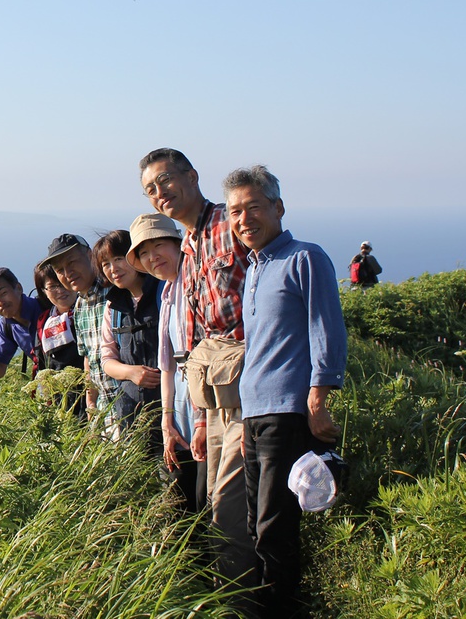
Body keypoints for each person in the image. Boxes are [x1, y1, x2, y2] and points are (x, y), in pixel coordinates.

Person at [225, 165, 347, 617]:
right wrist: (243, 417)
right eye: (236, 211)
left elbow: (326, 329)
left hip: (286, 411)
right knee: (259, 521)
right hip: (255, 414)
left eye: (253, 207)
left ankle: (279, 609)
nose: (244, 219)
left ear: (277, 207)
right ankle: (273, 604)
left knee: (275, 525)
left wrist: (318, 397)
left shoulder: (304, 257)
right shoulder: (254, 268)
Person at [139, 147, 257, 594]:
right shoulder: (189, 244)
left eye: (165, 180)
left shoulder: (231, 224)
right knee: (215, 505)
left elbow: (273, 302)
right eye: (150, 188)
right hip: (214, 398)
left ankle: (243, 600)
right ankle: (238, 594)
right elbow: (202, 342)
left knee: (229, 509)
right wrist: (203, 420)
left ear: (191, 175)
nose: (159, 192)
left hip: (249, 390)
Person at [127, 212, 205, 513]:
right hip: (180, 415)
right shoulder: (168, 292)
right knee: (181, 506)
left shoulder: (195, 284)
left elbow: (200, 356)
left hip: (205, 411)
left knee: (207, 503)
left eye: (158, 245)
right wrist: (167, 421)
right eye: (143, 253)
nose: (152, 256)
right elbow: (168, 367)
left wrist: (200, 420)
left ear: (177, 244)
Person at [95, 229, 163, 448]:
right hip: (131, 415)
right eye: (105, 264)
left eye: (118, 259)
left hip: (171, 409)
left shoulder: (164, 292)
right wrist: (132, 373)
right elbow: (107, 360)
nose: (113, 269)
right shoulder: (112, 307)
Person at [40, 233, 111, 422]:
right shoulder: (79, 306)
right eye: (60, 270)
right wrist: (91, 404)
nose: (67, 273)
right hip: (104, 408)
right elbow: (89, 359)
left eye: (72, 262)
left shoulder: (114, 293)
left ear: (90, 256)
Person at [31, 264, 89, 418]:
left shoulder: (89, 310)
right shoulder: (44, 321)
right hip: (62, 405)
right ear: (44, 291)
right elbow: (42, 365)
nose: (61, 290)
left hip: (91, 397)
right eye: (52, 286)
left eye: (63, 282)